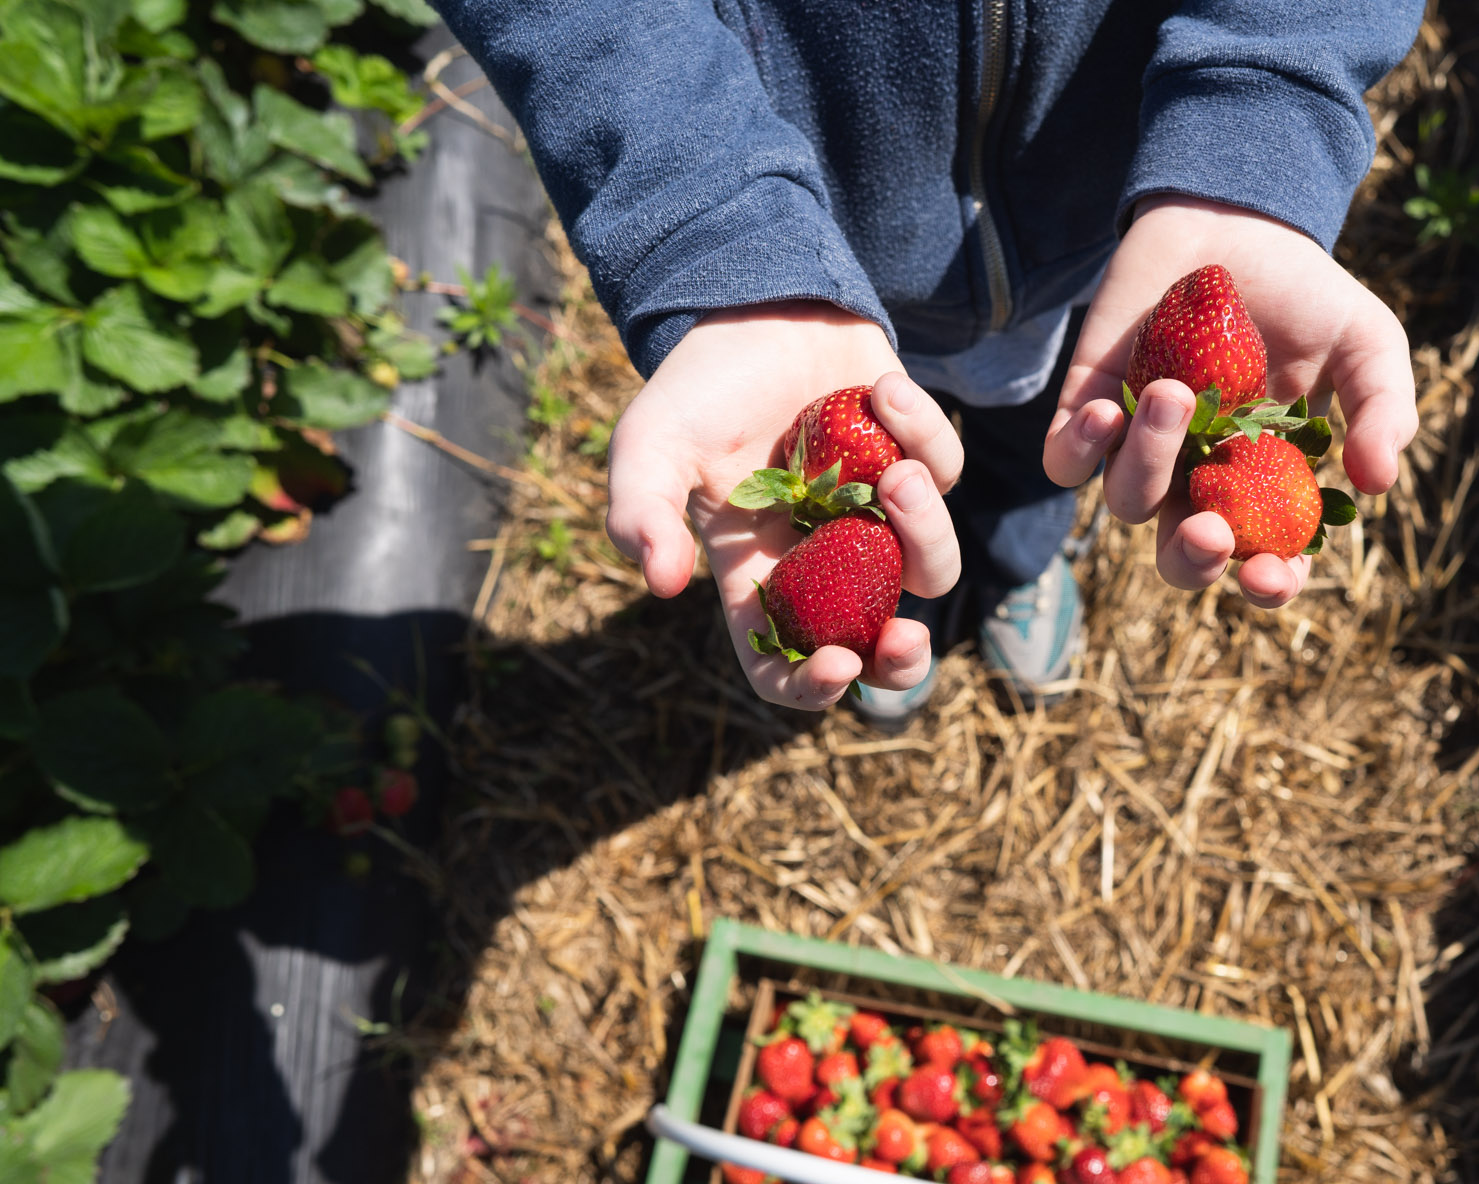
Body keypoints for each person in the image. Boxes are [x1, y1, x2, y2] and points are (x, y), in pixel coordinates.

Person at [431, 0, 1425, 723]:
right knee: (901, 482)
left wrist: (1253, 147)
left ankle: (1016, 561)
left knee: (1051, 428)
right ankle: (901, 592)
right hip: (813, 235)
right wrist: (718, 242)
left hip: (1104, 225)